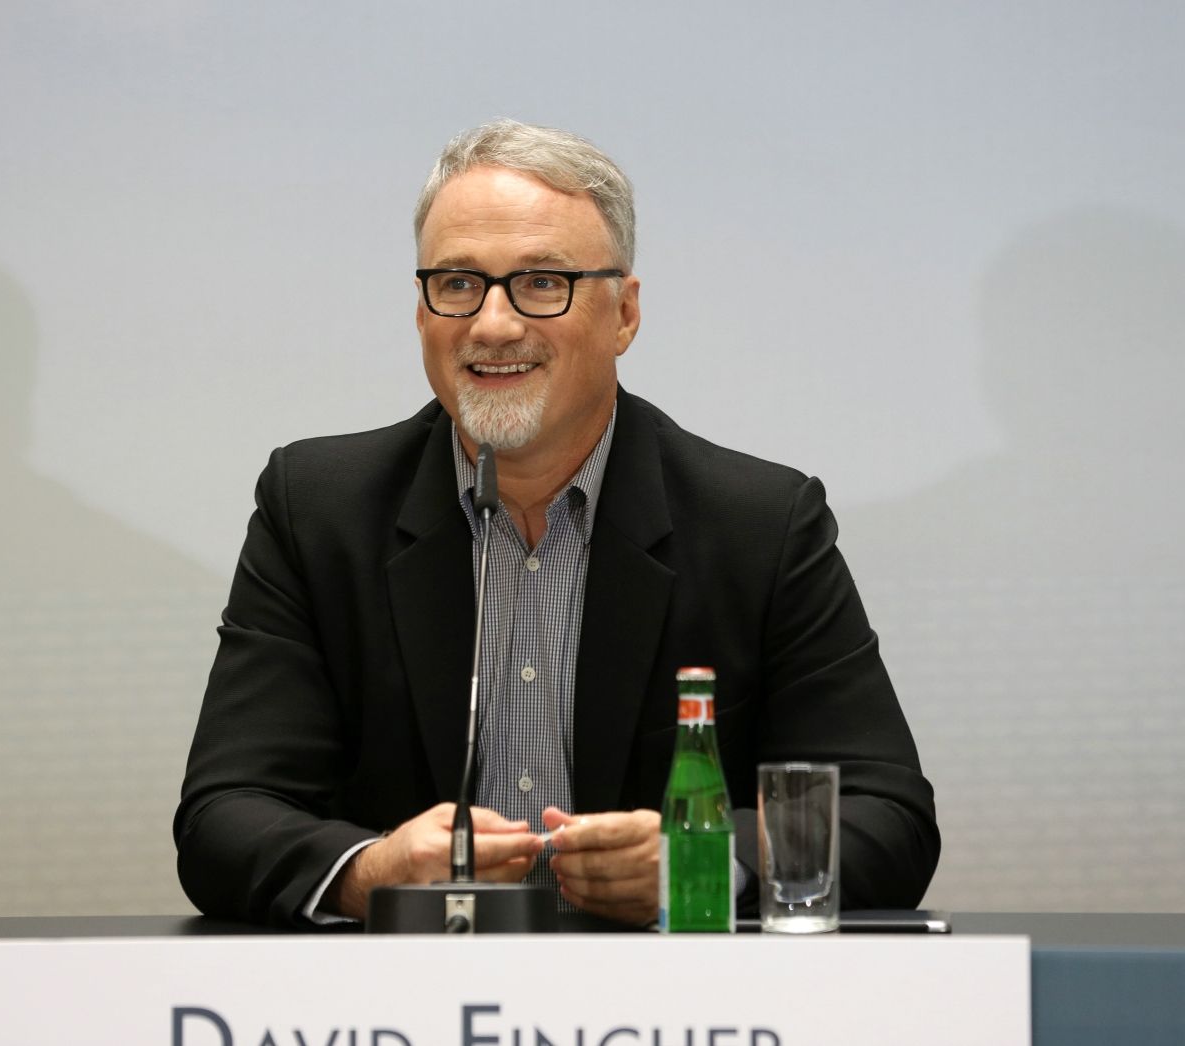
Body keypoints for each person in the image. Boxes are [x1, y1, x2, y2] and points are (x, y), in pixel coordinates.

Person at [174, 120, 939, 928]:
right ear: (422, 311)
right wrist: (373, 871)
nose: (493, 324)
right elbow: (224, 816)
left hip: (666, 991)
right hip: (407, 985)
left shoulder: (759, 525)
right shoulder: (319, 511)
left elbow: (886, 817)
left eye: (542, 283)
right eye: (458, 283)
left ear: (624, 314)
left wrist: (702, 861)